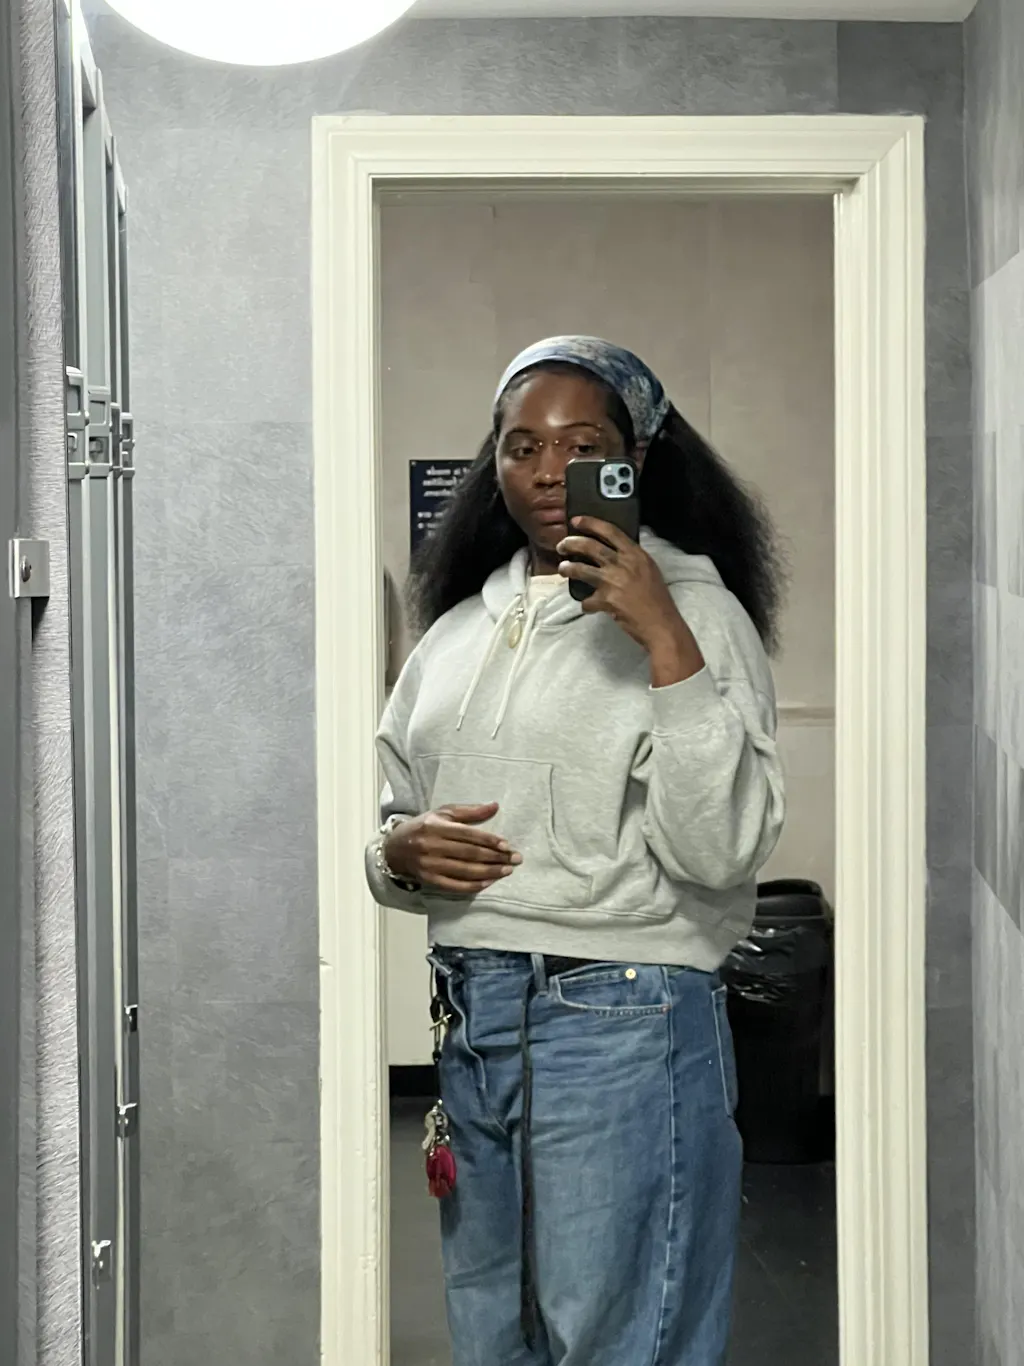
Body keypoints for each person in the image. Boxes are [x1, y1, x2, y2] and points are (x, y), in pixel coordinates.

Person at [366, 336, 786, 1366]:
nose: (549, 472)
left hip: (624, 1018)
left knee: (619, 1337)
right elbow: (396, 809)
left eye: (582, 447)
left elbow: (722, 849)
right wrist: (396, 854)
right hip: (474, 1017)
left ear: (635, 460)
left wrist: (664, 639)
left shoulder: (699, 613)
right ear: (495, 465)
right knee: (492, 1337)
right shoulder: (458, 628)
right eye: (522, 448)